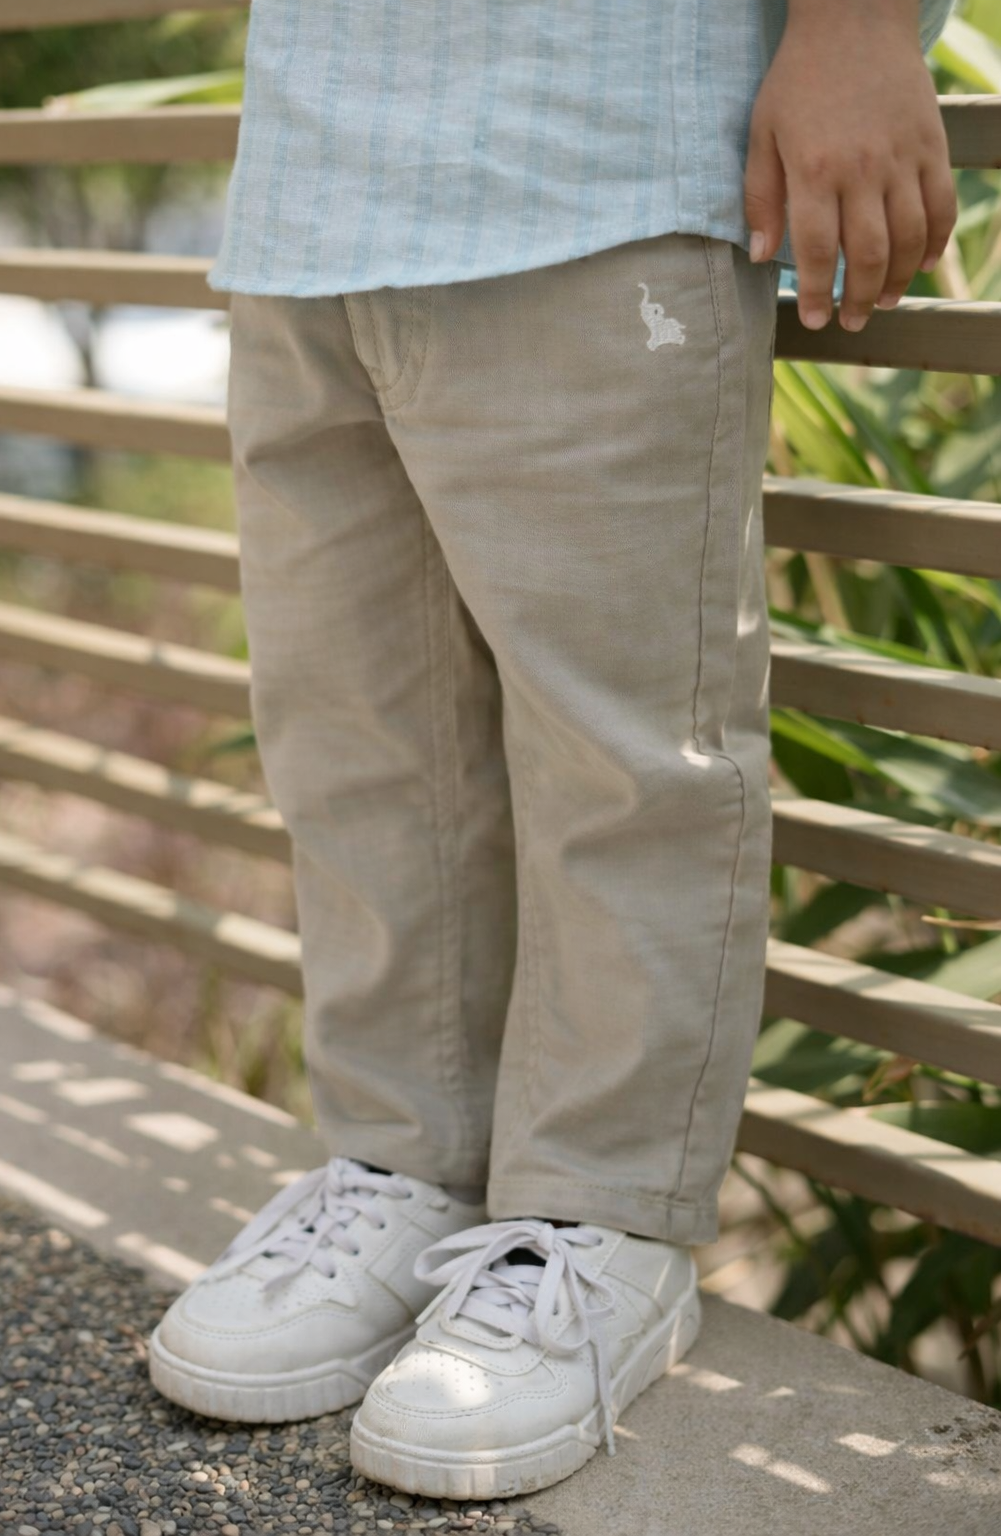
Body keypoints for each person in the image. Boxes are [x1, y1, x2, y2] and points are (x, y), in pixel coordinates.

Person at [148, 0, 958, 1501]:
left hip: (603, 148)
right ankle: (401, 1173)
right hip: (311, 179)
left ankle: (599, 1227)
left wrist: (861, 25)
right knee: (358, 741)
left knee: (623, 757)